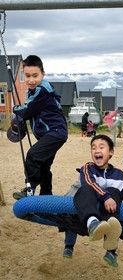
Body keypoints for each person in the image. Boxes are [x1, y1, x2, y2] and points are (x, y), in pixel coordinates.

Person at [63, 134, 123, 268]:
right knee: (86, 189)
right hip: (85, 215)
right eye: (93, 148)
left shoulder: (119, 175)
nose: (97, 151)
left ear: (111, 152)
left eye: (101, 147)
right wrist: (106, 197)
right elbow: (89, 182)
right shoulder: (88, 168)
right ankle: (90, 226)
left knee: (114, 191)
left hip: (107, 216)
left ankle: (111, 248)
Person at [12, 55, 68, 200]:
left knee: (33, 156)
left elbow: (27, 111)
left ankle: (30, 189)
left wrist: (16, 109)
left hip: (54, 132)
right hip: (53, 134)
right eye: (28, 75)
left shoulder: (41, 90)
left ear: (43, 73)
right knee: (43, 165)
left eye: (35, 75)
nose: (31, 80)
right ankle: (46, 196)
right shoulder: (36, 91)